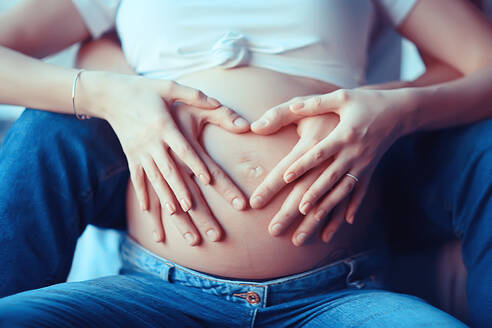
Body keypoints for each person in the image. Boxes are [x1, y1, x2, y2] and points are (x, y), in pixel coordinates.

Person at [1, 0, 491, 326]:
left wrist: (391, 107)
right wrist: (110, 92)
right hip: (153, 292)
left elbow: (482, 61)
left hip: (339, 297)